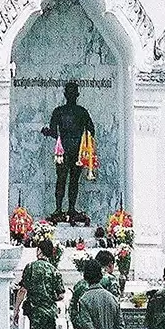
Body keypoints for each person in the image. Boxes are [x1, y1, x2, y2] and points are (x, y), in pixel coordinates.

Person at [41, 80, 96, 224]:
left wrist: (84, 141)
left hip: (77, 152)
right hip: (63, 151)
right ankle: (59, 209)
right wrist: (48, 132)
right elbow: (54, 132)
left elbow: (91, 130)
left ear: (76, 95)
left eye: (73, 92)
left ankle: (70, 208)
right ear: (66, 94)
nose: (71, 95)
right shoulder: (59, 111)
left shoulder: (81, 112)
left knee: (72, 181)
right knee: (62, 180)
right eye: (70, 92)